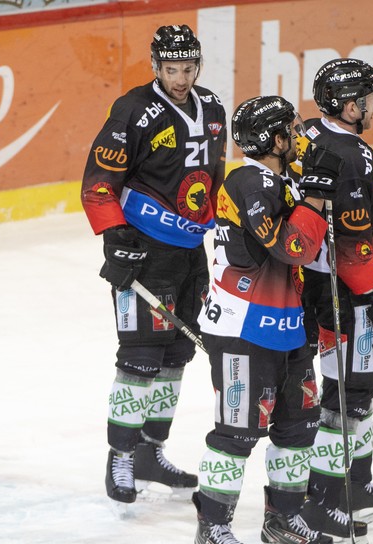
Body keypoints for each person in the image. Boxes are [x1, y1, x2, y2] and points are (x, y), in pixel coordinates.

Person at [80, 24, 227, 508]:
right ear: (155, 66)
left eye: (187, 68)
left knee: (176, 357)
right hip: (144, 249)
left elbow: (216, 178)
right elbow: (100, 178)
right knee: (141, 356)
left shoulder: (213, 110)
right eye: (171, 69)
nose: (180, 78)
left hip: (191, 252)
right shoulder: (133, 110)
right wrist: (113, 238)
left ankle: (150, 452)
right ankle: (120, 454)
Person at [191, 96, 338, 544]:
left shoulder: (280, 180)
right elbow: (293, 246)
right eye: (292, 130)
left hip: (286, 325)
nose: (298, 137)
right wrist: (314, 197)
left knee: (298, 423)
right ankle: (212, 524)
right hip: (242, 329)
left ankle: (282, 517)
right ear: (275, 140)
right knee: (237, 432)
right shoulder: (248, 181)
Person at [298, 58, 373, 544]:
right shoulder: (355, 157)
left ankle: (354, 483)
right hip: (342, 291)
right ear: (347, 105)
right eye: (366, 97)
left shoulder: (303, 134)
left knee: (347, 391)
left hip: (306, 284)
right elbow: (353, 248)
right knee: (348, 396)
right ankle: (323, 497)